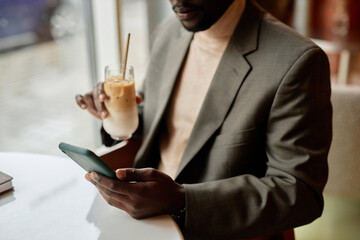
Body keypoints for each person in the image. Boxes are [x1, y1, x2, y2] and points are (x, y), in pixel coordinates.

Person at [75, 0, 332, 239]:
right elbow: (155, 118)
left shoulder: (296, 61)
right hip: (144, 220)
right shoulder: (169, 31)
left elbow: (300, 192)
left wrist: (182, 200)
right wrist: (115, 112)